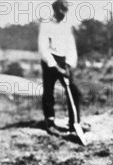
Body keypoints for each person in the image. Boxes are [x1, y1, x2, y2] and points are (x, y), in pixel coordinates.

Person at [38, 0, 82, 136]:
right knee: (49, 92)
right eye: (61, 9)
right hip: (50, 61)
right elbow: (43, 48)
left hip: (64, 61)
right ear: (55, 9)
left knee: (74, 92)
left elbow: (71, 47)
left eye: (66, 9)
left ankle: (74, 124)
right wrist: (56, 67)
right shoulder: (46, 24)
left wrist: (68, 65)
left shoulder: (66, 25)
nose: (64, 12)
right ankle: (50, 122)